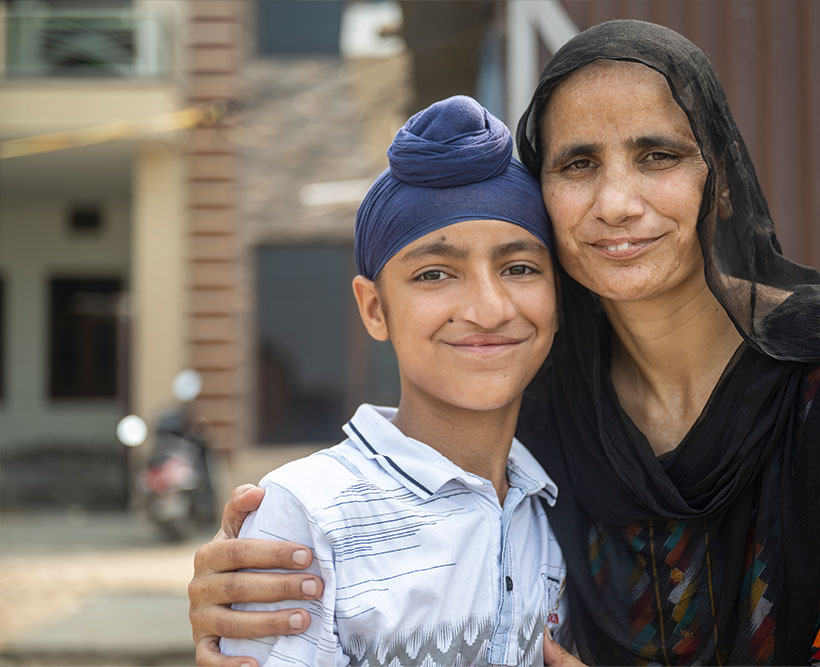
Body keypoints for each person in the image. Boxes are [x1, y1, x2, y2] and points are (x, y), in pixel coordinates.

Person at [190, 20, 820, 666]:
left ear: (716, 181)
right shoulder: (545, 410)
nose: (616, 201)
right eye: (578, 163)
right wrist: (256, 581)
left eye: (658, 155)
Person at [217, 95, 570, 666]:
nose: (488, 307)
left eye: (519, 267)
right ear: (375, 309)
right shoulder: (308, 513)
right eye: (435, 274)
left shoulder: (553, 504)